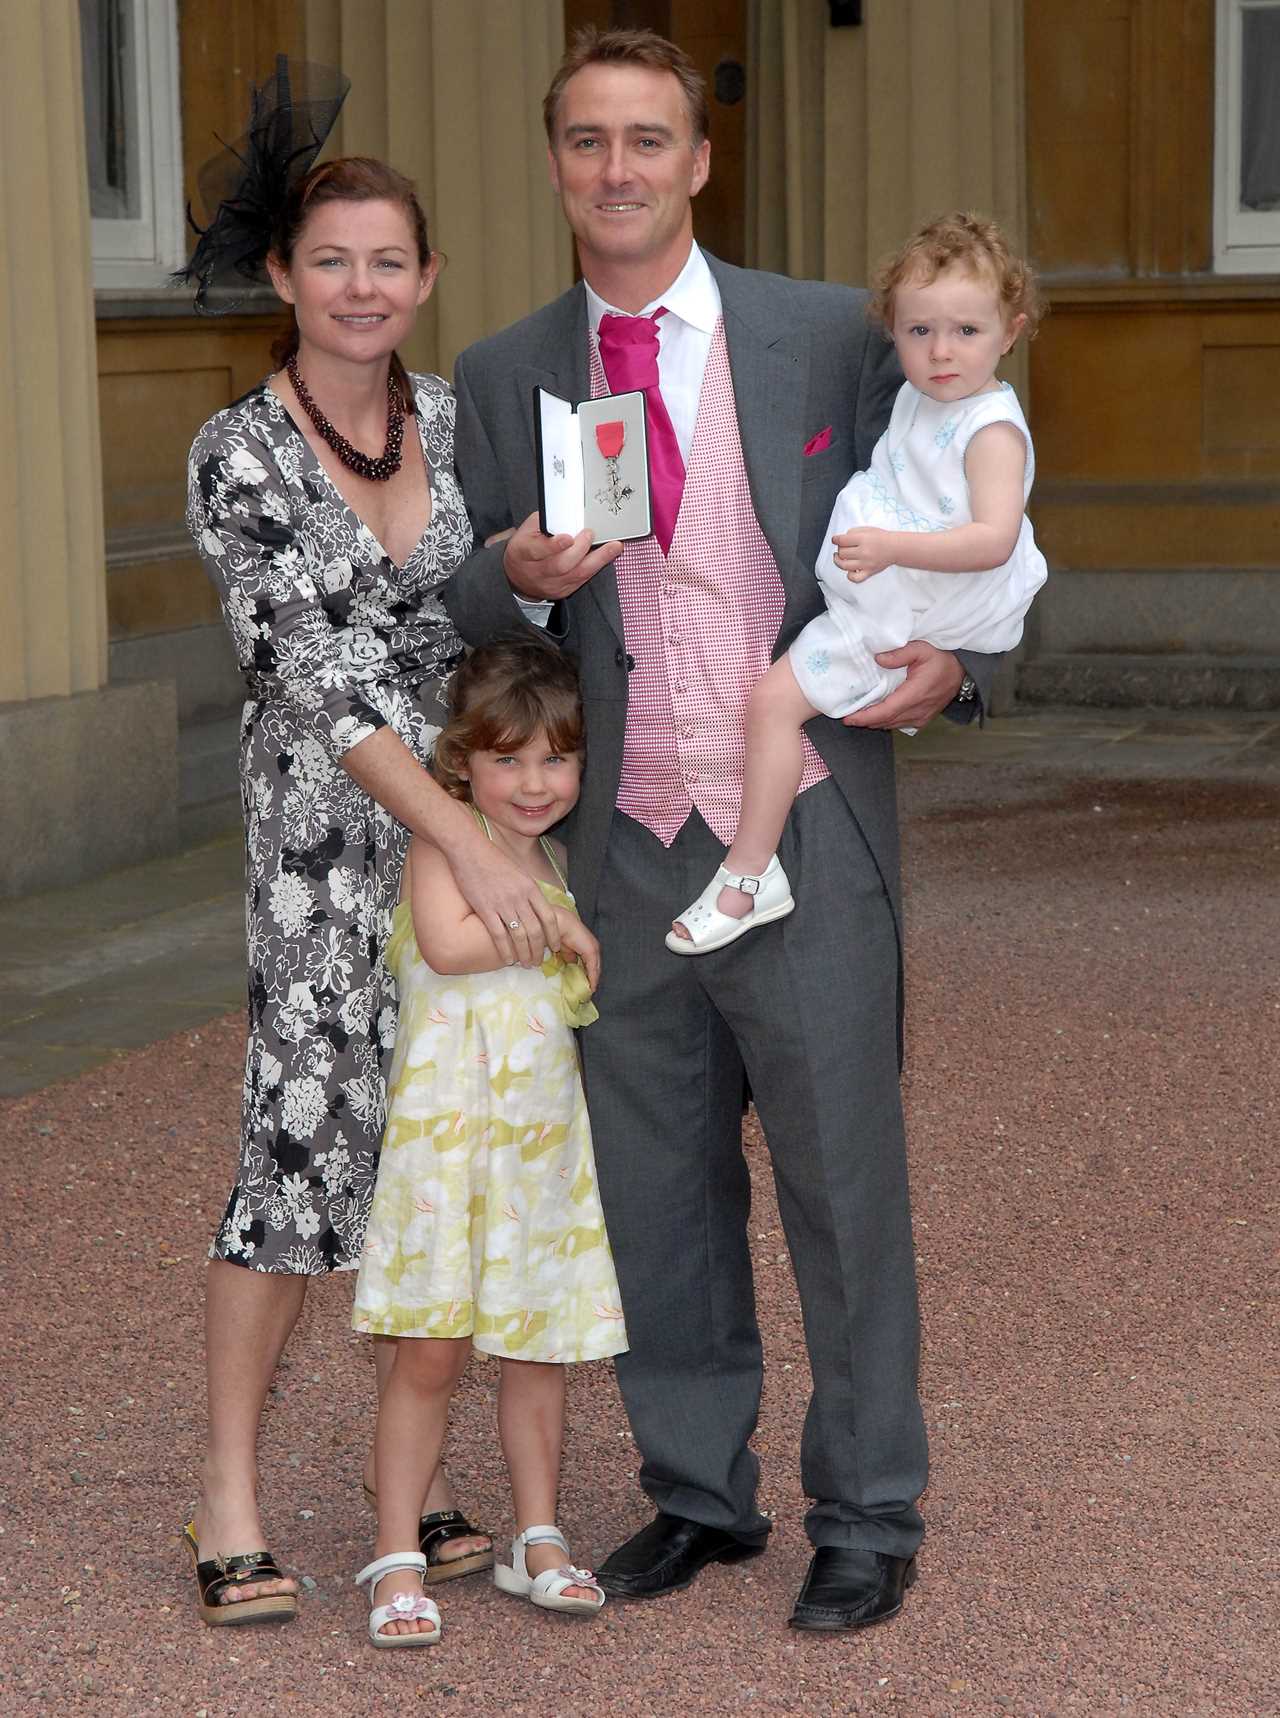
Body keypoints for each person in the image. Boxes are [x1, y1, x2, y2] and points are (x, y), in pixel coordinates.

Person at [444, 26, 1003, 1632]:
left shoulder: (830, 334)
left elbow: (988, 474)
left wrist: (959, 661)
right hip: (624, 838)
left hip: (807, 823)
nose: (616, 170)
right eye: (587, 141)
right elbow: (475, 622)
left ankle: (869, 1510)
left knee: (844, 1185)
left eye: (648, 140)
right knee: (657, 1190)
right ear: (555, 161)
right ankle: (698, 1489)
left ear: (699, 161)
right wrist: (515, 577)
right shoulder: (503, 369)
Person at [181, 107, 563, 1625]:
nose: (359, 286)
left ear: (427, 274)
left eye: (386, 262)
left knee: (435, 1146)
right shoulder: (240, 453)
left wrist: (522, 576)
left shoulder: (460, 420)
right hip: (333, 849)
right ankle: (227, 1498)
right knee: (297, 1155)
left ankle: (405, 1478)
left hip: (472, 831)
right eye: (329, 261)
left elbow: (480, 619)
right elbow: (320, 678)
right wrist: (465, 830)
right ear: (284, 274)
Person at [670, 212, 1046, 952]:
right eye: (918, 331)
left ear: (1011, 331)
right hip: (891, 579)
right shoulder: (922, 395)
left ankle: (747, 879)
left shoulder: (991, 430)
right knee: (775, 704)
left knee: (772, 703)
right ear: (892, 331)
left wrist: (887, 547)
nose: (941, 352)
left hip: (914, 592)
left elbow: (993, 539)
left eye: (967, 332)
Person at [349, 637, 624, 1646]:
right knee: (429, 1348)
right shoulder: (449, 840)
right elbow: (447, 944)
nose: (533, 782)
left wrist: (566, 928)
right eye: (507, 759)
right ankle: (395, 1552)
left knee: (538, 1343)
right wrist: (559, 931)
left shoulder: (552, 857)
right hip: (445, 1147)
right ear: (462, 761)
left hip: (532, 1145)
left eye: (555, 758)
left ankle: (538, 1535)